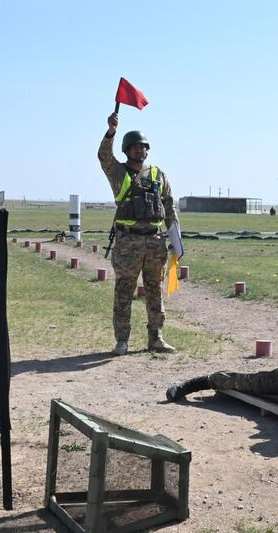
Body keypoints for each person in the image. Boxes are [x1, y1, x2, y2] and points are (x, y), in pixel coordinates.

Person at [98, 112, 179, 356]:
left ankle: (156, 338)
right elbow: (103, 156)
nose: (140, 151)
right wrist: (110, 132)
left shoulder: (158, 175)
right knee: (124, 290)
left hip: (154, 241)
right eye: (135, 147)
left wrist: (176, 240)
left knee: (154, 289)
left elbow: (170, 207)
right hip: (128, 242)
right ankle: (122, 341)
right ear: (126, 150)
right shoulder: (118, 172)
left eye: (143, 147)